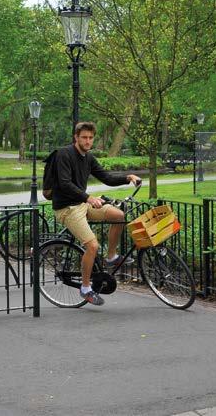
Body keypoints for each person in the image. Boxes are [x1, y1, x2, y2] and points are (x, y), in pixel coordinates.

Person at [50, 121, 142, 306]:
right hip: (67, 208)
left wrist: (128, 177)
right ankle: (85, 288)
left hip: (83, 204)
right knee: (92, 245)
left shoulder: (88, 158)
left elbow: (106, 177)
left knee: (118, 215)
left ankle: (111, 257)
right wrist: (89, 198)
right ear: (76, 137)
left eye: (90, 138)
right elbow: (65, 184)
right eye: (84, 137)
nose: (87, 141)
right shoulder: (64, 155)